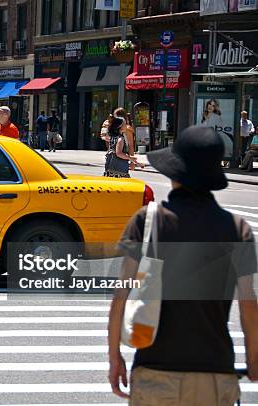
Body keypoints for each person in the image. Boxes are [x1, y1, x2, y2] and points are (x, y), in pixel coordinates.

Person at [108, 125, 257, 405]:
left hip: (154, 369)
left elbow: (121, 294)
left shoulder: (148, 222)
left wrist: (115, 358)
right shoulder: (237, 229)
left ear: (175, 173)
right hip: (214, 372)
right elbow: (249, 303)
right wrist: (253, 359)